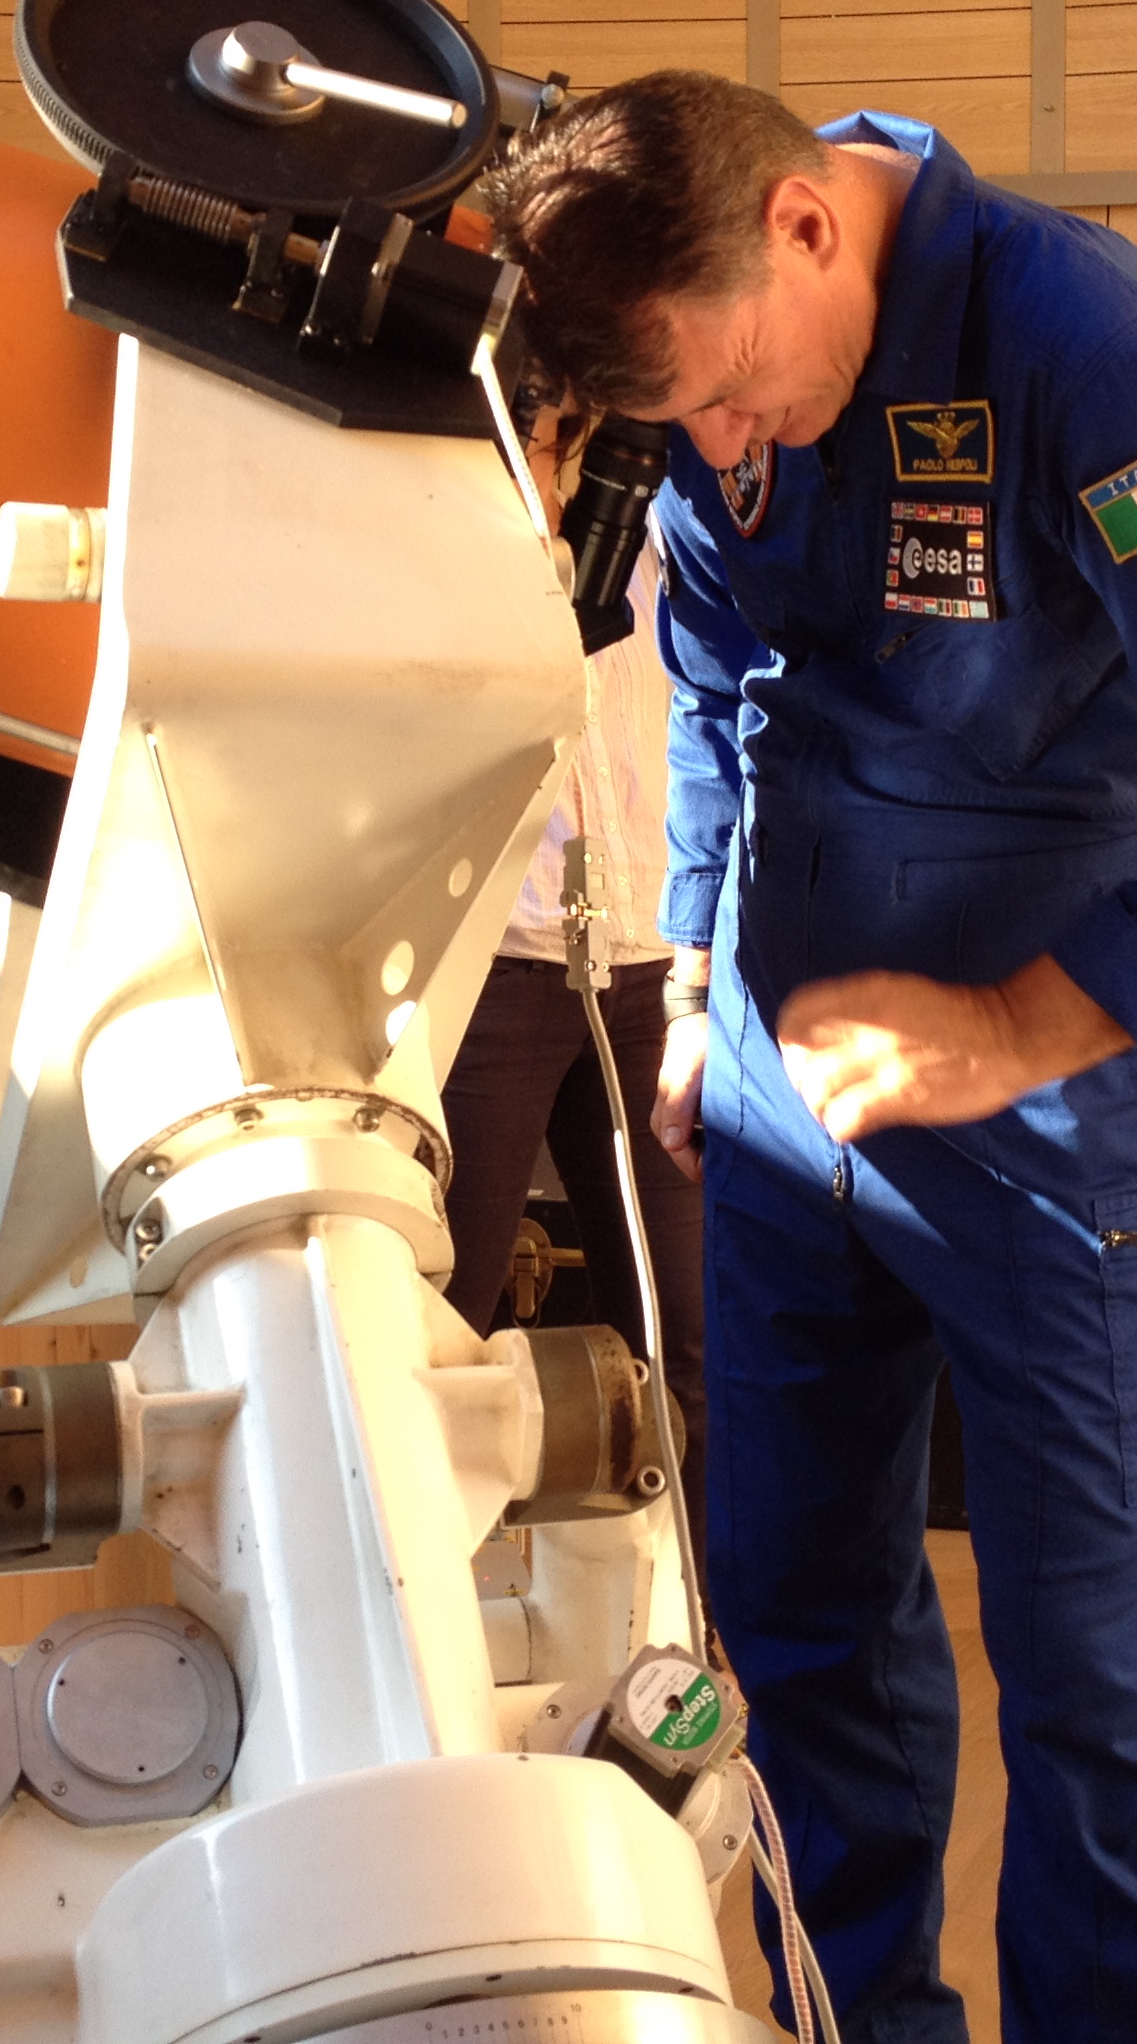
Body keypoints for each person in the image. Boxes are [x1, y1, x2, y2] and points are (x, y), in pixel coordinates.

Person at [486, 73, 1137, 2044]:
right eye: (691, 431)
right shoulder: (721, 379)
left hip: (1040, 1106)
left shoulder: (1085, 341)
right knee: (798, 1629)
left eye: (737, 399)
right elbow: (727, 691)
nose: (726, 450)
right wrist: (700, 981)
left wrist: (1020, 1029)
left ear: (810, 227)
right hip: (774, 1083)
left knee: (1099, 1671)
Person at [437, 392, 708, 1548]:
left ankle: (696, 1608)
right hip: (490, 959)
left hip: (654, 957)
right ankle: (429, 1607)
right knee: (445, 1310)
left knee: (689, 1322)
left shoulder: (673, 495)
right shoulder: (448, 505)